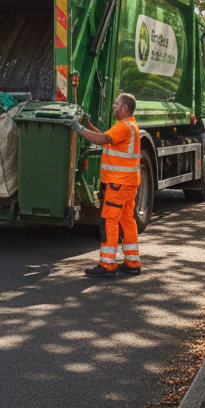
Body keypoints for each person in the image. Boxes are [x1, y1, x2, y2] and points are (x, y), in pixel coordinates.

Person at [70, 94, 142, 277]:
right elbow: (104, 136)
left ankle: (107, 265)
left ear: (125, 108)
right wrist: (87, 125)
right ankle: (133, 263)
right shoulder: (128, 125)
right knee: (127, 220)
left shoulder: (124, 127)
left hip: (118, 184)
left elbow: (101, 140)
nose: (113, 106)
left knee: (109, 221)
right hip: (128, 183)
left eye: (116, 104)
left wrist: (78, 129)